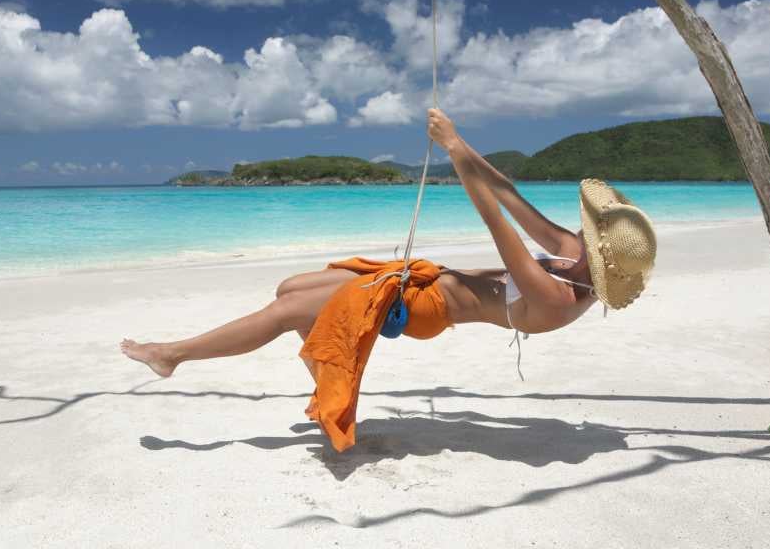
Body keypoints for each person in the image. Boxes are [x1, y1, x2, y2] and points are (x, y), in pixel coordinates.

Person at [120, 108, 656, 450]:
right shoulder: (571, 258)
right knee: (290, 289)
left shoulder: (559, 297)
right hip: (426, 277)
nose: (583, 232)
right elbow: (510, 195)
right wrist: (460, 141)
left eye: (593, 232)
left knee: (285, 313)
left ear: (600, 258)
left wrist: (450, 152)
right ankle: (325, 360)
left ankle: (173, 355)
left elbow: (495, 220)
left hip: (426, 308)